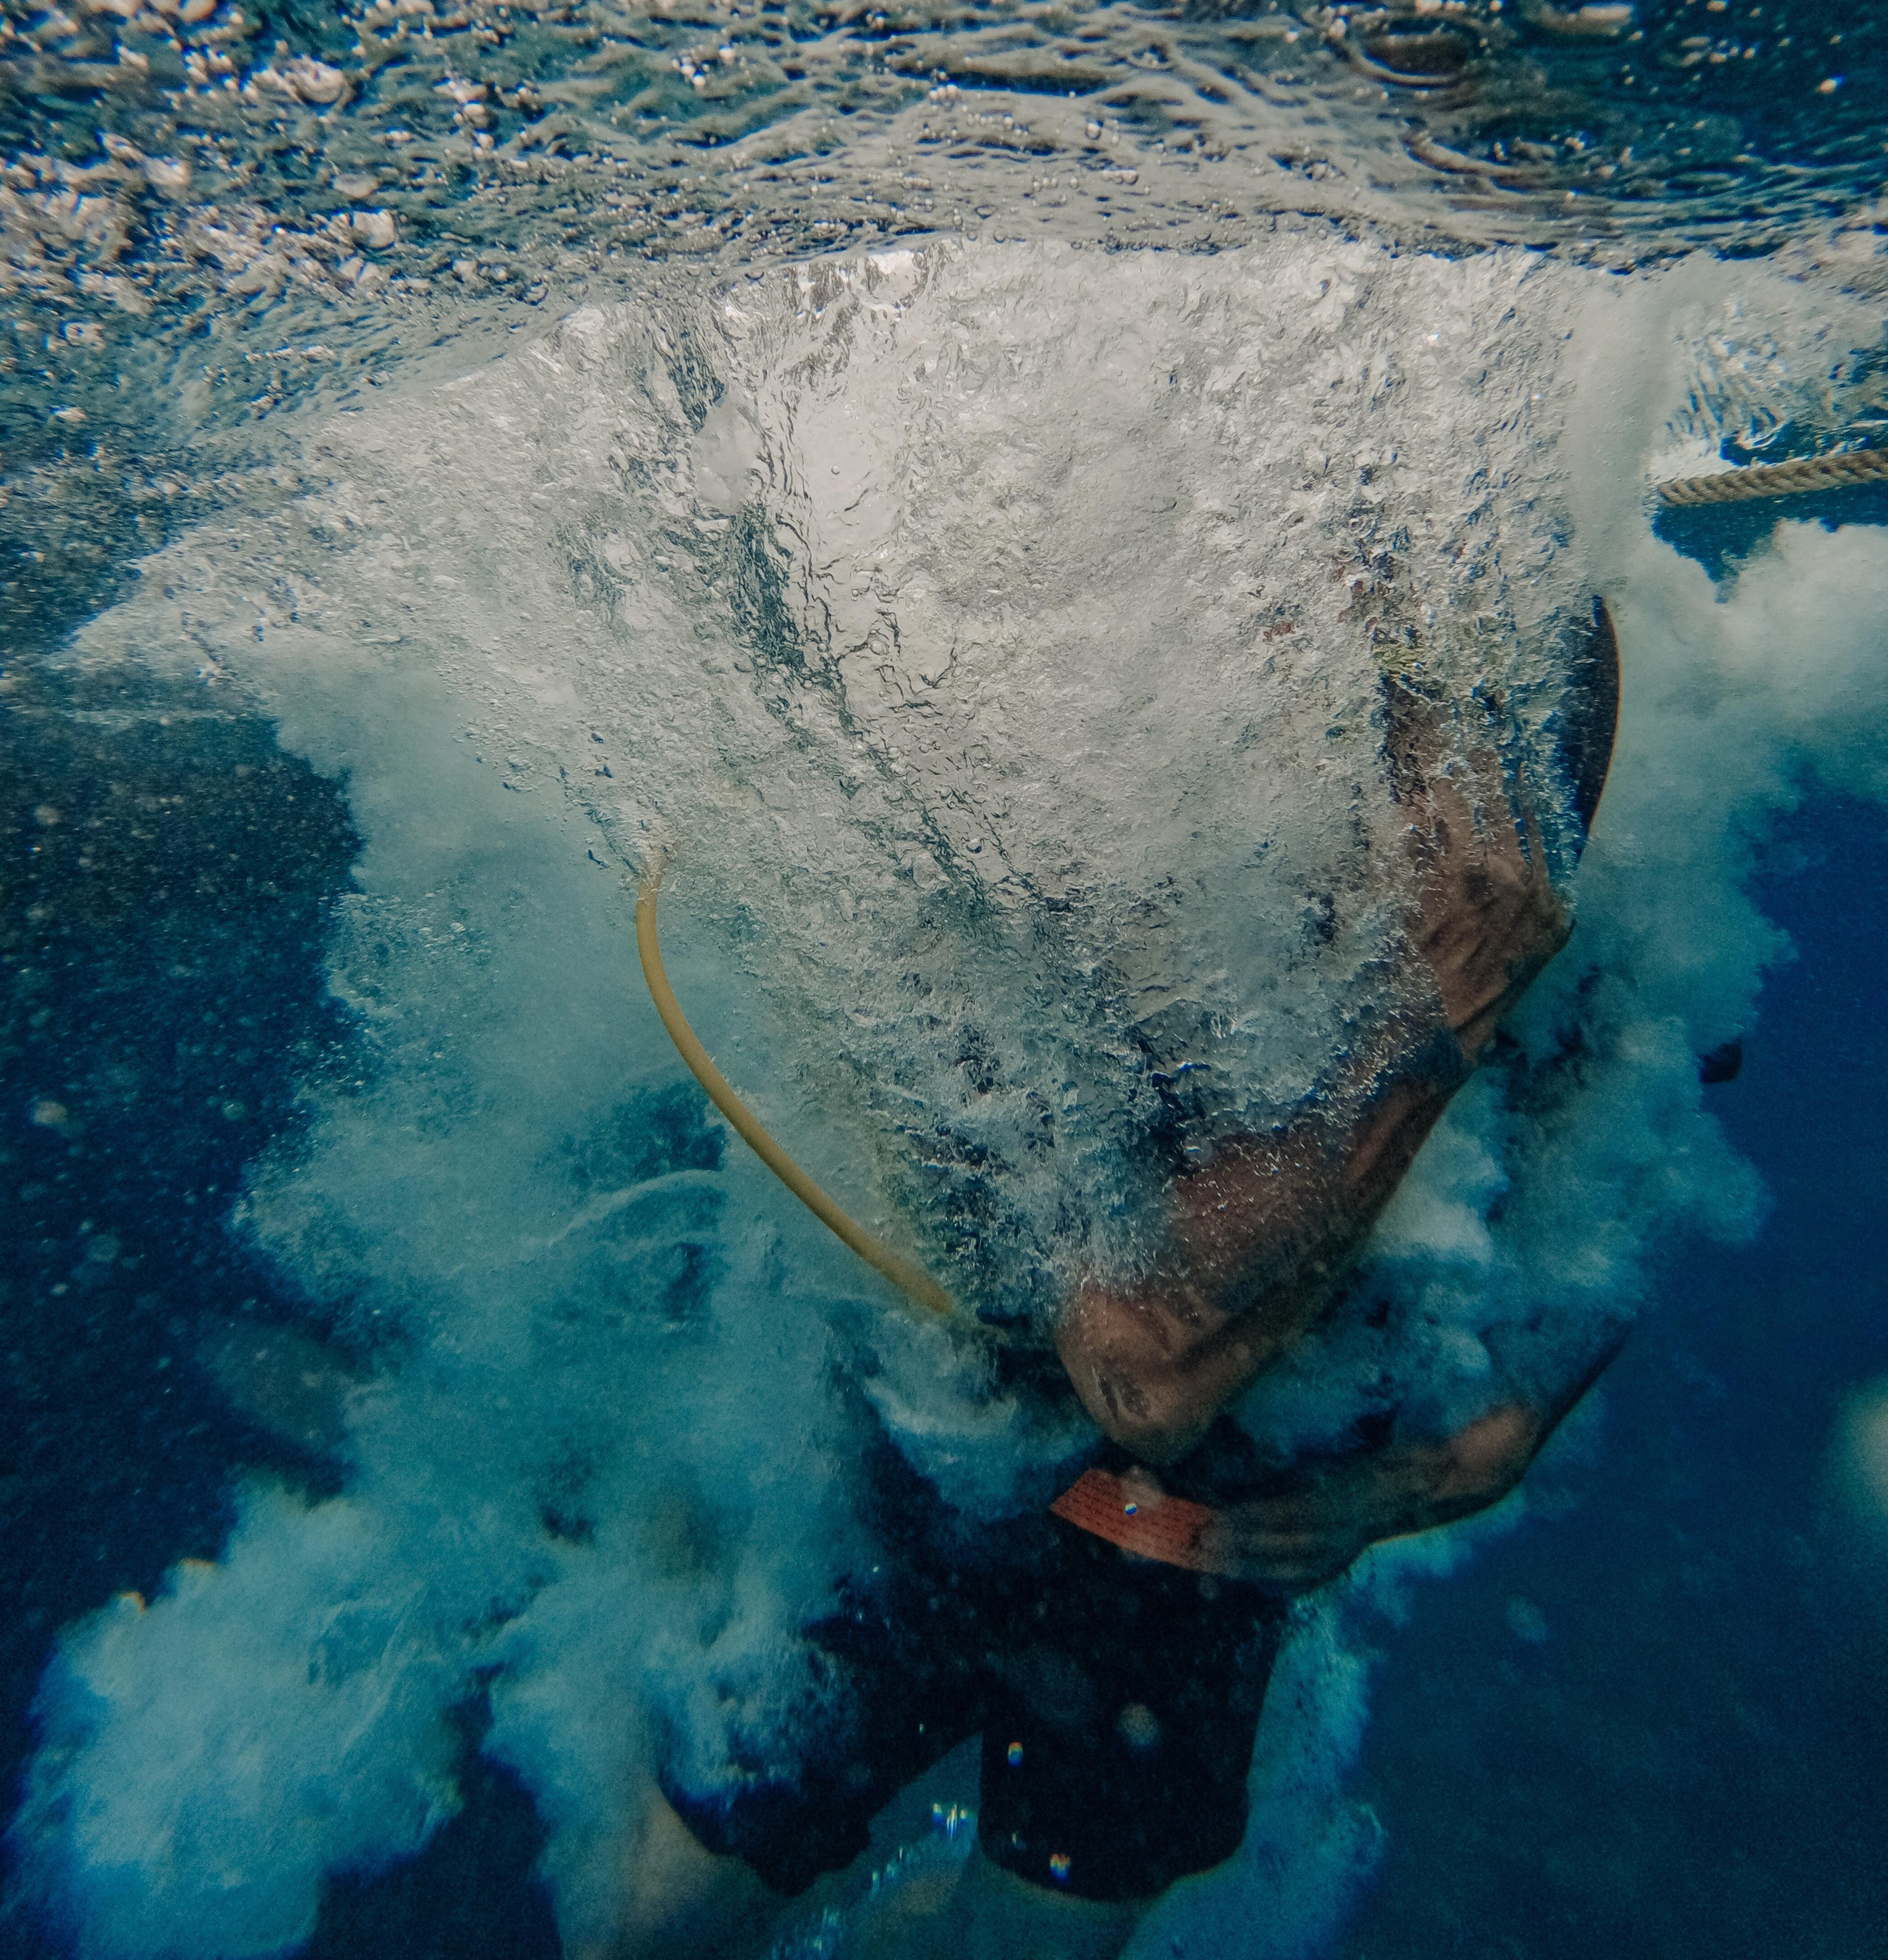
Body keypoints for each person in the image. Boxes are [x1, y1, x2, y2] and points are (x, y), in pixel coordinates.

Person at [579, 611, 1622, 1960]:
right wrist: (1440, 1012)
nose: (1431, 847)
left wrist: (1411, 1482)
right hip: (931, 1500)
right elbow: (1141, 1372)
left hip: (1190, 1603)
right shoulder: (1097, 862)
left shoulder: (1563, 909)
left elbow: (1600, 1240)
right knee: (652, 1934)